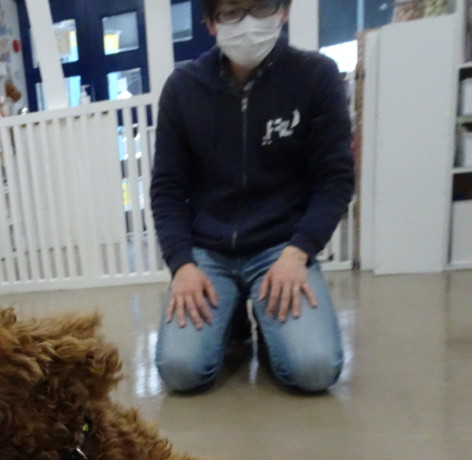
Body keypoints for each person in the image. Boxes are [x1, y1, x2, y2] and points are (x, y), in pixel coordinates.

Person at [150, 0, 354, 394]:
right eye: (231, 12)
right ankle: (233, 321)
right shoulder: (183, 88)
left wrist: (298, 253)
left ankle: (264, 319)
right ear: (211, 23)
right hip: (208, 250)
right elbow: (167, 188)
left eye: (261, 7)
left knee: (314, 370)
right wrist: (181, 265)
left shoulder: (316, 76)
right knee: (180, 370)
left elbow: (335, 179)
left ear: (284, 10)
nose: (247, 23)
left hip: (281, 247)